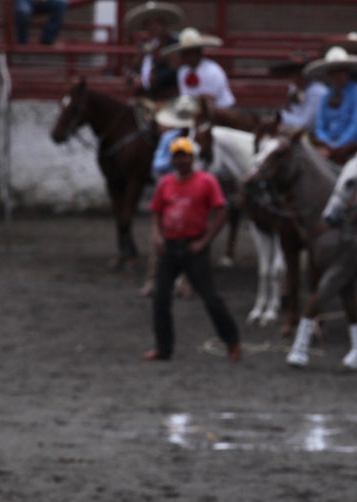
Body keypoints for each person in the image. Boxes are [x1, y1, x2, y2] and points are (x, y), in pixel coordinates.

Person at [144, 137, 242, 362]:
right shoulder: (166, 183)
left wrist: (205, 241)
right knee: (160, 298)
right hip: (170, 247)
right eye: (177, 157)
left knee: (211, 297)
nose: (181, 161)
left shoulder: (206, 181)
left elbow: (221, 210)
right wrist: (157, 236)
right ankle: (163, 347)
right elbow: (156, 211)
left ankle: (232, 341)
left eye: (185, 156)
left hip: (193, 246)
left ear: (192, 158)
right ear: (172, 160)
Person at [306, 47, 357, 164]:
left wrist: (339, 144)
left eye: (340, 71)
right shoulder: (326, 96)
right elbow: (320, 124)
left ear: (347, 71)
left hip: (353, 147)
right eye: (333, 72)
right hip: (328, 146)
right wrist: (326, 142)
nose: (337, 75)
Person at [124, 2, 183, 99]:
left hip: (166, 94)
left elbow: (174, 69)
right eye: (148, 24)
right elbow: (136, 66)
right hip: (143, 94)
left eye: (156, 23)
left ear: (163, 24)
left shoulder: (173, 43)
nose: (153, 27)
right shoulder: (144, 44)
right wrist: (134, 76)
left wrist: (153, 79)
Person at [164, 28, 233, 107]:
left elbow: (209, 101)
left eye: (191, 53)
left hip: (221, 108)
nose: (187, 57)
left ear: (199, 53)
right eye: (185, 53)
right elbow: (185, 96)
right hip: (194, 108)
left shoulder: (212, 71)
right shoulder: (183, 71)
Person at [270, 53, 326, 135]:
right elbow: (294, 113)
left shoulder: (318, 92)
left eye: (300, 73)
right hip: (295, 131)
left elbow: (306, 124)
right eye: (293, 73)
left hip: (316, 135)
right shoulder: (293, 89)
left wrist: (281, 116)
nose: (296, 77)